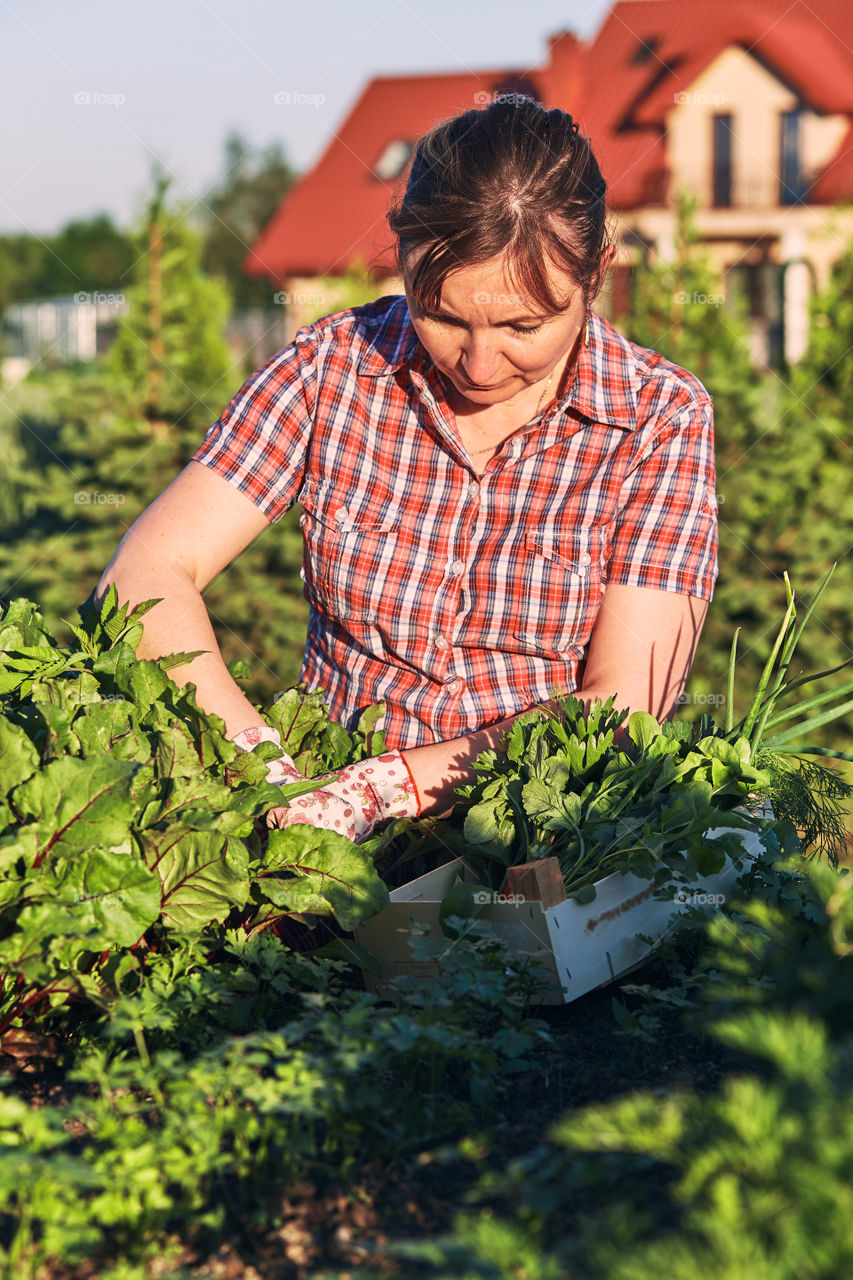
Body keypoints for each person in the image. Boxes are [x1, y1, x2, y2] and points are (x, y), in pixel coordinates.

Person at [95, 97, 718, 845]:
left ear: (596, 273)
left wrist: (390, 785)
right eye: (442, 315)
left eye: (523, 326)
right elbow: (145, 573)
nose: (480, 362)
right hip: (318, 818)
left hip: (538, 833)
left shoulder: (658, 416)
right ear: (402, 260)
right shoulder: (334, 368)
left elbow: (623, 707)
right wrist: (262, 768)